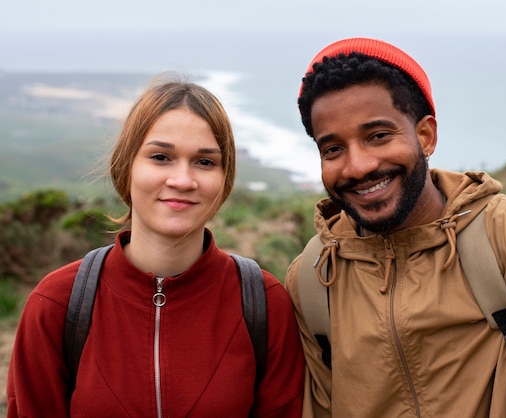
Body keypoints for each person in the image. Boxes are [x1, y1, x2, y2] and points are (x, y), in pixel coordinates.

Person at [284, 37, 506, 417]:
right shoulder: (313, 279)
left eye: (378, 136)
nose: (357, 166)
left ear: (425, 135)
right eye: (333, 149)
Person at [7, 74, 304, 417]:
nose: (182, 180)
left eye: (205, 161)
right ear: (126, 166)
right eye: (161, 157)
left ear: (224, 180)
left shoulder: (264, 303)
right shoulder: (56, 304)